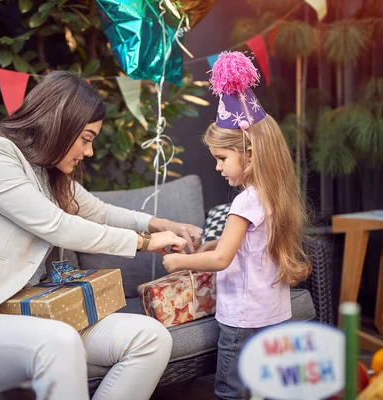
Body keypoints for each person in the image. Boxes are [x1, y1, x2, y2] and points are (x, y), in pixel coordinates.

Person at [0, 70, 203, 400]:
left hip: (33, 315)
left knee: (151, 336)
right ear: (60, 123)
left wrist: (159, 224)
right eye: (86, 138)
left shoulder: (47, 173)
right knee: (59, 340)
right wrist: (143, 243)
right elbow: (55, 225)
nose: (88, 152)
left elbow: (100, 211)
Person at [161, 52, 311, 400]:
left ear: (251, 153)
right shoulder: (274, 194)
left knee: (232, 391)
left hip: (242, 319)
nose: (217, 167)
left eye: (222, 158)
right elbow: (247, 248)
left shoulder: (245, 201)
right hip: (274, 313)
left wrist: (178, 263)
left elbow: (221, 261)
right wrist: (213, 244)